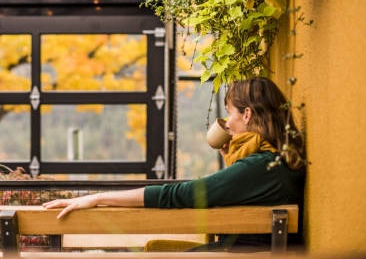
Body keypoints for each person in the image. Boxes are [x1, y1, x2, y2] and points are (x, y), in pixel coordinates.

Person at [43, 77, 305, 252]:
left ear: (247, 114)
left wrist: (99, 197)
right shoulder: (278, 162)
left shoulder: (260, 166)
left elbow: (183, 194)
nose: (227, 122)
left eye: (230, 113)